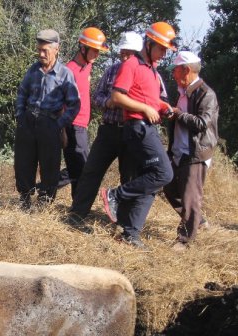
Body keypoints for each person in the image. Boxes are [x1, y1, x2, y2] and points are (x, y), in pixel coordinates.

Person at [98, 22, 178, 249]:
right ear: (150, 43)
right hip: (137, 126)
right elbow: (117, 97)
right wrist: (144, 109)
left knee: (151, 181)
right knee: (164, 173)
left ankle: (130, 234)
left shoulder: (152, 71)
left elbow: (150, 99)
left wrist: (163, 107)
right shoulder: (131, 64)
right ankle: (115, 194)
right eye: (161, 48)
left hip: (147, 126)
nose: (164, 54)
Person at [66, 31, 143, 225]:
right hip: (108, 130)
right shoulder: (112, 71)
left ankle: (125, 223)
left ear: (138, 54)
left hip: (130, 132)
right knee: (90, 172)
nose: (124, 57)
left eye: (129, 53)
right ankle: (77, 216)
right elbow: (97, 97)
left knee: (129, 177)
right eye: (122, 52)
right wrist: (109, 102)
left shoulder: (146, 74)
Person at [14, 29, 80, 210]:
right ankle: (25, 199)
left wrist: (58, 125)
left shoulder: (65, 74)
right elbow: (22, 93)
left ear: (56, 49)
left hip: (50, 123)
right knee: (23, 162)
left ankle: (44, 203)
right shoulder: (33, 70)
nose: (41, 54)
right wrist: (20, 116)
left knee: (49, 165)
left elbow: (74, 104)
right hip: (28, 121)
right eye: (39, 50)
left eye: (45, 51)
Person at [163, 51, 219, 250]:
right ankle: (198, 221)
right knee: (168, 186)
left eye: (176, 70)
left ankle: (185, 240)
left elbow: (202, 123)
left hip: (195, 153)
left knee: (190, 197)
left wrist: (178, 114)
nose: (174, 74)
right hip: (179, 151)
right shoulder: (183, 92)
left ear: (186, 70)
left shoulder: (206, 94)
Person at [60, 27, 108, 198]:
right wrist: (62, 131)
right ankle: (76, 208)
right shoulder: (68, 71)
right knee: (81, 168)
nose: (97, 55)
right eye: (95, 50)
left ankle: (46, 186)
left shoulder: (87, 66)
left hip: (82, 126)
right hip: (72, 125)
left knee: (78, 167)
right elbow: (59, 104)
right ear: (82, 48)